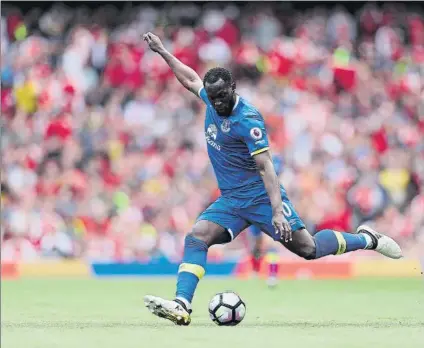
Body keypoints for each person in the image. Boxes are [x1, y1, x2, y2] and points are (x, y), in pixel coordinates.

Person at [142, 32, 402, 326]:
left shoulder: (248, 121)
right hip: (232, 200)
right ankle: (182, 304)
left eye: (222, 97)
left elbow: (266, 167)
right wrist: (163, 51)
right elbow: (190, 79)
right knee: (196, 238)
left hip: (261, 198)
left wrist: (277, 211)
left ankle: (368, 239)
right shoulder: (211, 101)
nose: (217, 103)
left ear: (233, 88)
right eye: (212, 98)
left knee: (309, 249)